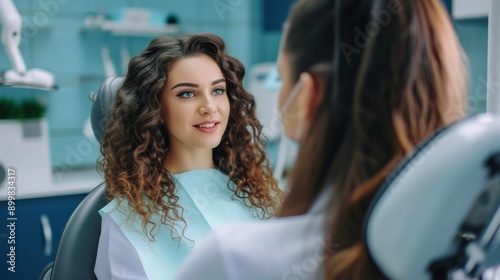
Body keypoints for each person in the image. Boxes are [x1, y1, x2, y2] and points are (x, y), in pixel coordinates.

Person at [174, 0, 469, 279]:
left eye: (282, 76)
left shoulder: (234, 261)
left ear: (307, 96)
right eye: (187, 93)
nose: (209, 107)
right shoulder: (469, 258)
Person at [94, 33, 282, 280]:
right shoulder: (128, 221)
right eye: (187, 94)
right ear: (155, 108)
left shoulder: (256, 194)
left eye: (217, 90)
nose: (209, 107)